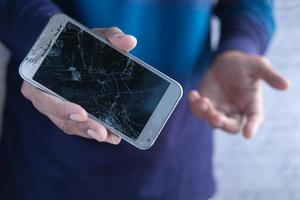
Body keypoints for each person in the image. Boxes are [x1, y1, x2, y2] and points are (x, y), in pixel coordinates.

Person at [0, 0, 290, 199]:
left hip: (178, 158)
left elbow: (251, 5)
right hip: (47, 164)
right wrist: (49, 46)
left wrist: (239, 47)